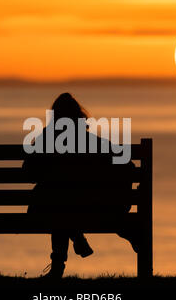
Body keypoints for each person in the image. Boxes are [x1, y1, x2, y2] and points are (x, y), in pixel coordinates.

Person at [23, 92, 139, 278]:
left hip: (50, 209)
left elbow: (28, 172)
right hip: (85, 209)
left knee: (58, 203)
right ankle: (78, 235)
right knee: (62, 202)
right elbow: (129, 166)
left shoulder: (46, 139)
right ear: (79, 117)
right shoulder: (91, 141)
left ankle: (62, 258)